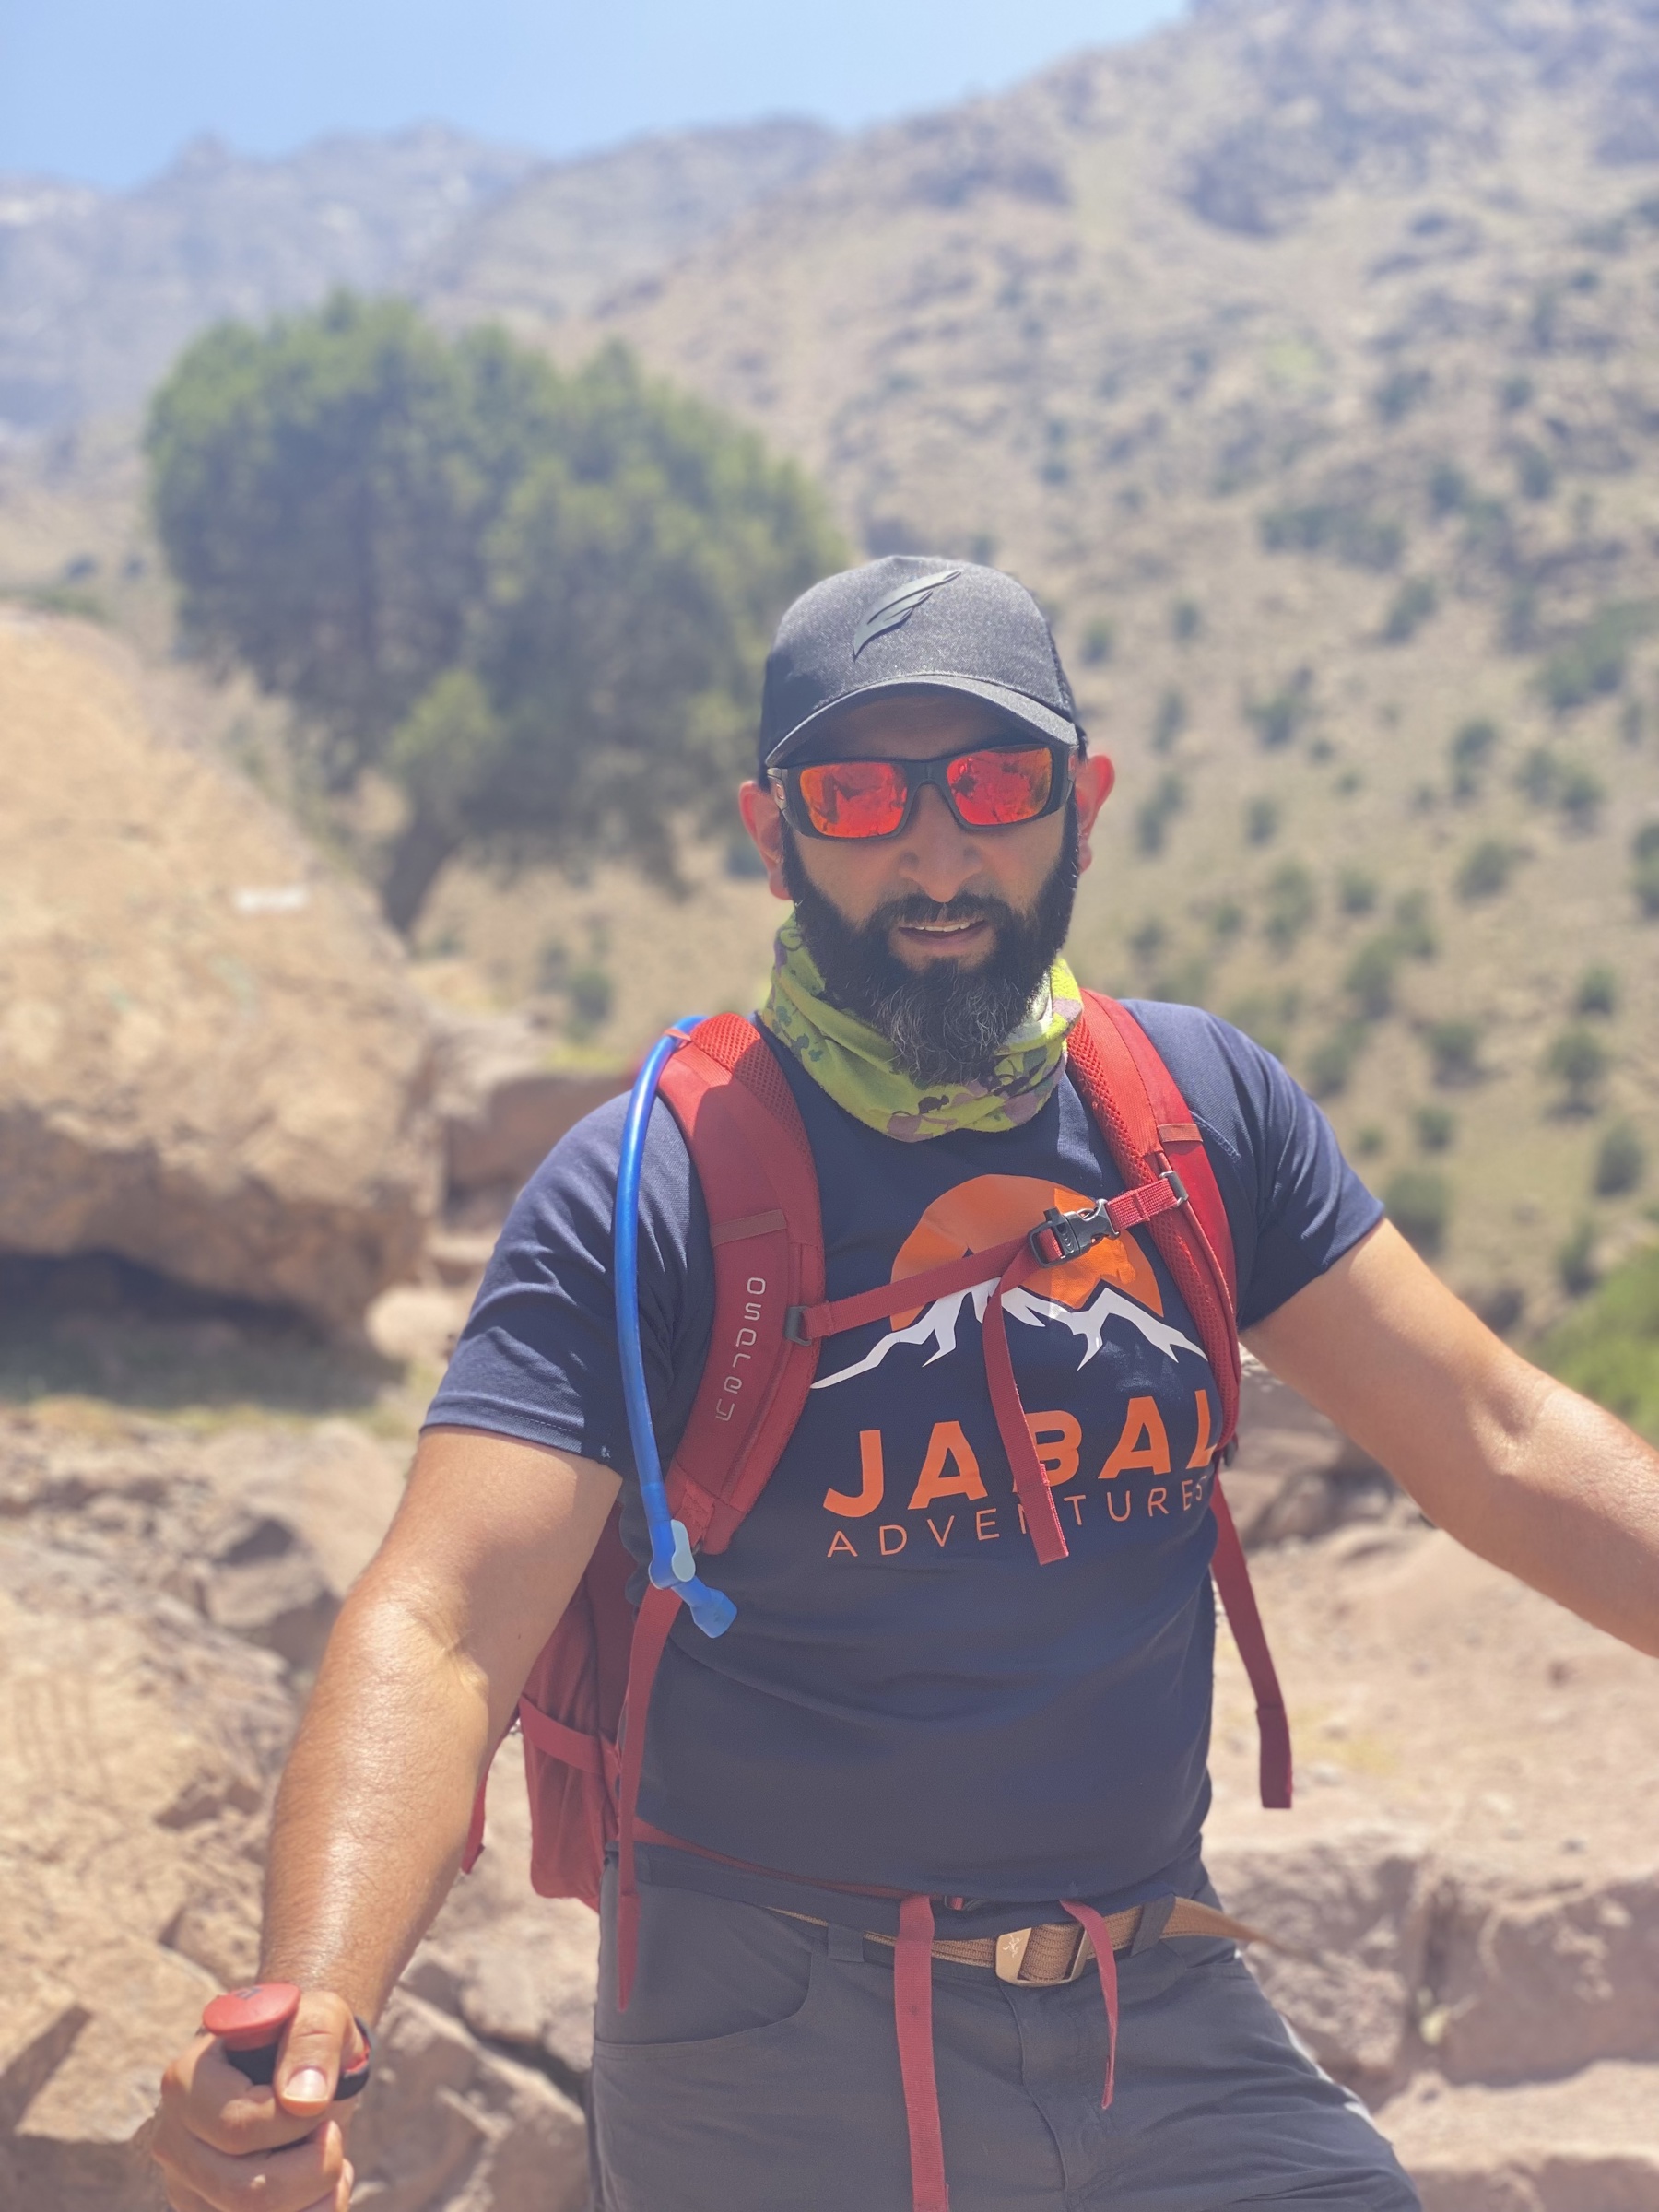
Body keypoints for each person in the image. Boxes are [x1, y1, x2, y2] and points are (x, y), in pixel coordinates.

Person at [152, 558, 1659, 2212]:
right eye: (860, 795)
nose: (936, 854)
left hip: (1146, 1994)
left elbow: (1502, 1440)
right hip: (768, 2046)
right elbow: (441, 1623)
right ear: (772, 828)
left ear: (1081, 806)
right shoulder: (651, 1182)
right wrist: (317, 2005)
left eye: (995, 786)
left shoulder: (1196, 1112)